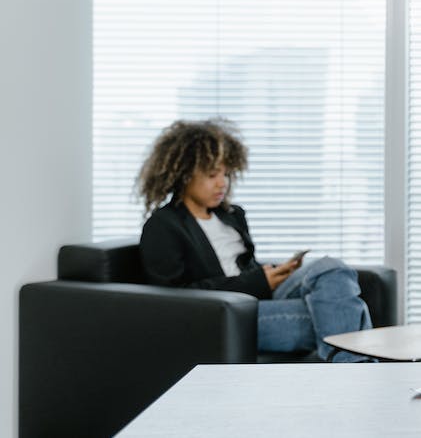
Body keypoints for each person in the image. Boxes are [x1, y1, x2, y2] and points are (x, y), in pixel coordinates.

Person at [137, 118, 373, 362]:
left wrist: (272, 273)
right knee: (341, 314)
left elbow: (243, 266)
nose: (222, 183)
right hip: (224, 317)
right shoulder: (164, 225)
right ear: (184, 176)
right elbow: (174, 298)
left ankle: (351, 367)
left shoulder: (231, 215)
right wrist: (257, 281)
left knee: (331, 267)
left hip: (260, 299)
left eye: (226, 174)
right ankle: (356, 370)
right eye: (212, 174)